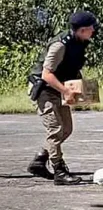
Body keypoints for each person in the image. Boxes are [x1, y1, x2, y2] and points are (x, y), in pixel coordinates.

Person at [27, 11, 98, 185]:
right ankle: (59, 171)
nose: (94, 31)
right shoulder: (60, 45)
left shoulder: (80, 42)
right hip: (45, 89)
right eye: (91, 28)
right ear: (81, 30)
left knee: (66, 129)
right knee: (56, 129)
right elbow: (46, 74)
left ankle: (39, 160)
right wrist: (66, 91)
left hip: (59, 88)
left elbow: (71, 67)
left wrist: (80, 88)